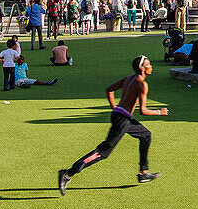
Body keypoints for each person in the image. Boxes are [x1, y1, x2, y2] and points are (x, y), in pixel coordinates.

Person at [58, 55, 167, 194]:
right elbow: (143, 110)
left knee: (146, 135)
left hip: (121, 116)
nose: (151, 66)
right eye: (148, 64)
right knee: (102, 152)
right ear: (142, 68)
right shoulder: (142, 84)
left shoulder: (129, 78)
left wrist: (115, 108)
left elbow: (109, 90)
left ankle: (143, 172)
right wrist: (159, 112)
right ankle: (67, 174)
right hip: (123, 121)